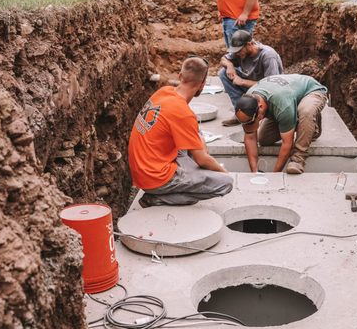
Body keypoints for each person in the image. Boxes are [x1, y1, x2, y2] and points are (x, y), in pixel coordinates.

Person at [128, 56, 233, 207]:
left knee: (193, 140)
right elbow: (202, 159)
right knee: (226, 184)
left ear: (180, 76)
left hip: (142, 169)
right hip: (155, 178)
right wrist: (224, 172)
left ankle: (167, 188)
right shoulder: (183, 113)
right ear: (202, 84)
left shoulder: (164, 92)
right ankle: (157, 199)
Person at [234, 74, 328, 175]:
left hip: (311, 91)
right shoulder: (248, 100)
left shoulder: (282, 105)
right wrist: (254, 172)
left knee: (305, 111)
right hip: (287, 99)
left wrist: (275, 175)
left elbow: (287, 143)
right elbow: (250, 138)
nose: (251, 124)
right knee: (264, 139)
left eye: (252, 121)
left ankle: (299, 157)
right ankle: (302, 122)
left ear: (260, 107)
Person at [218, 29, 283, 126]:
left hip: (267, 91)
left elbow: (272, 86)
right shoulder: (239, 53)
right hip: (252, 85)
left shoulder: (268, 55)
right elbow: (223, 59)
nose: (237, 54)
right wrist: (229, 65)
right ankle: (241, 112)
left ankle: (262, 115)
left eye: (239, 51)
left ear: (249, 44)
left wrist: (243, 82)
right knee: (223, 73)